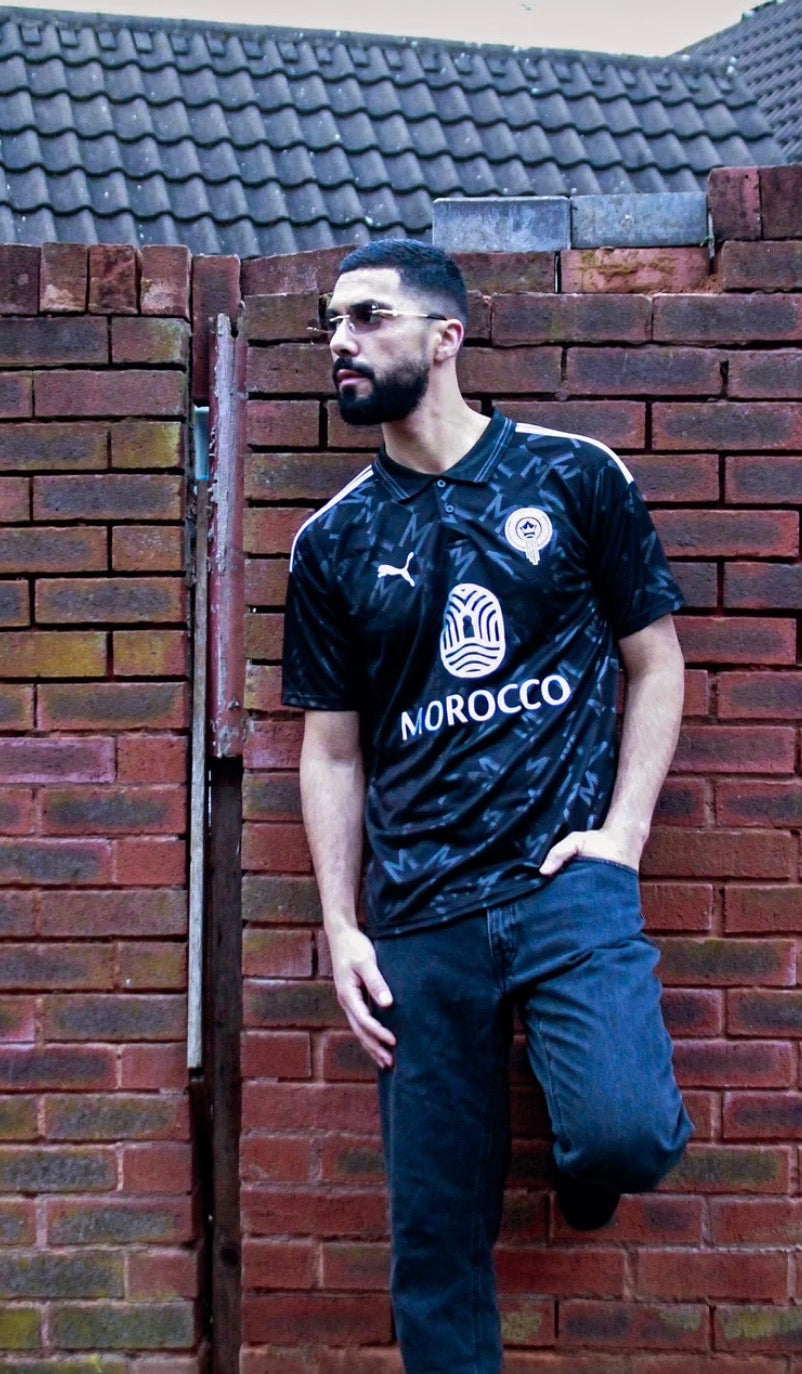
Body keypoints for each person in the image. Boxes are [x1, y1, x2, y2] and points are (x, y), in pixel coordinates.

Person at [281, 239, 692, 1374]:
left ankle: (585, 1163)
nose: (341, 342)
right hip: (420, 918)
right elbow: (330, 753)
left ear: (446, 337)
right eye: (332, 323)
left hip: (566, 884)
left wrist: (623, 837)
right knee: (434, 1245)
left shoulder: (573, 477)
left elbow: (656, 661)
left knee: (626, 1134)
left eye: (368, 318)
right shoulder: (332, 543)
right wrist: (342, 926)